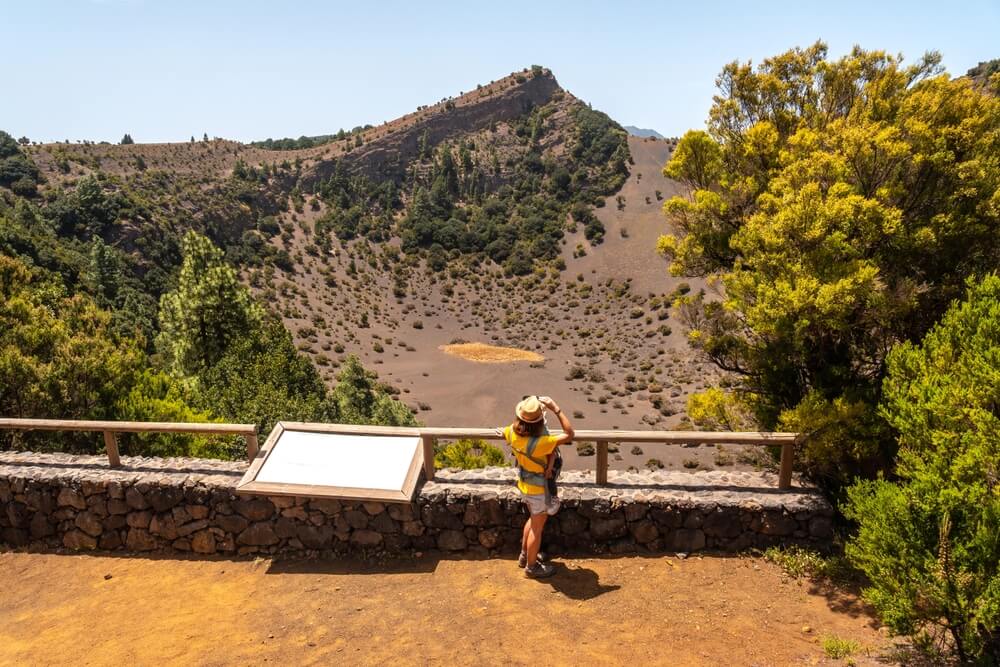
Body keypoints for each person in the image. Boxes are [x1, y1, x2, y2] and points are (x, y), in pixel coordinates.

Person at [498, 395, 574, 578]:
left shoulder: (511, 432)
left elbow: (506, 432)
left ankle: (525, 556)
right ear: (540, 421)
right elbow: (570, 434)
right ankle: (532, 567)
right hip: (539, 489)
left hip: (524, 485)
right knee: (537, 528)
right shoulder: (542, 443)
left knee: (533, 520)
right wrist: (556, 408)